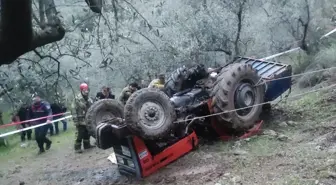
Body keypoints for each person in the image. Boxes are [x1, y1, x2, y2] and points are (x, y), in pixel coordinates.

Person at [72, 83, 94, 153]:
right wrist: (75, 121)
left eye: (87, 90)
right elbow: (73, 110)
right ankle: (77, 148)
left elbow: (91, 108)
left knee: (87, 133)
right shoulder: (77, 99)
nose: (86, 91)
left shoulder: (89, 99)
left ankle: (87, 145)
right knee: (79, 133)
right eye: (84, 90)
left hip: (87, 119)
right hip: (80, 119)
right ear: (81, 90)